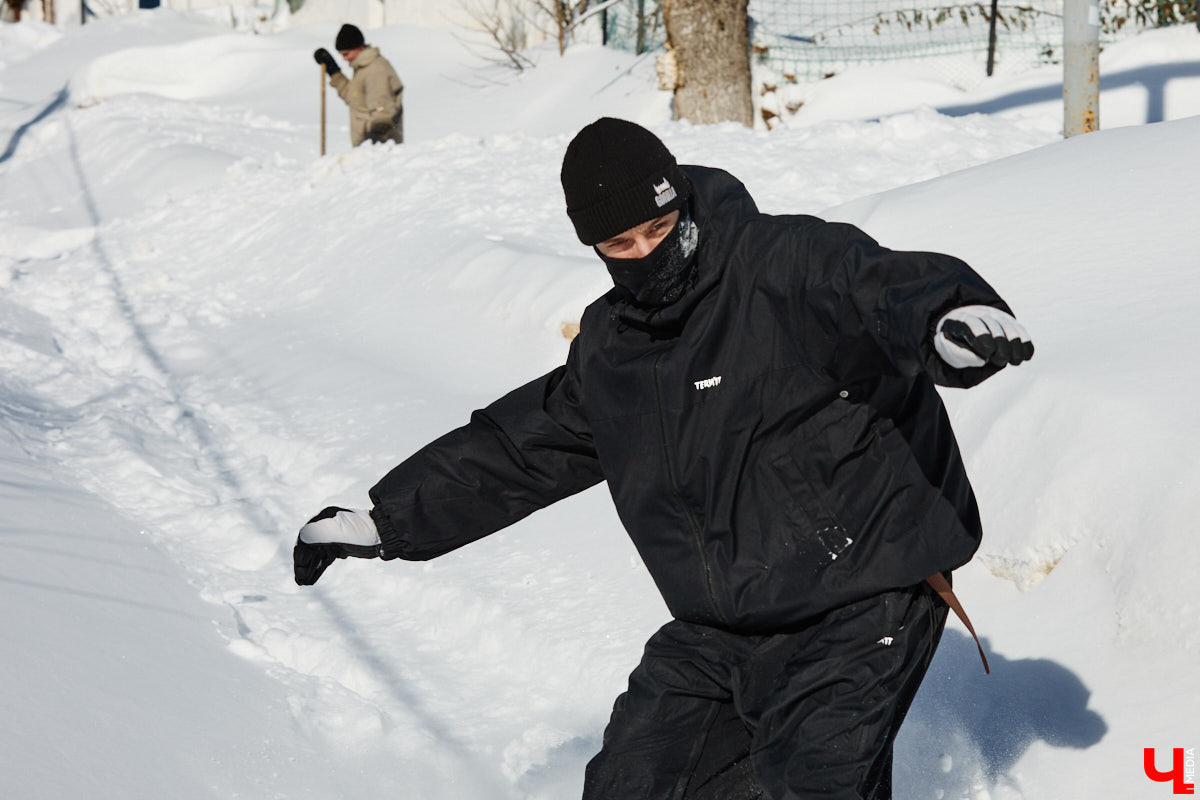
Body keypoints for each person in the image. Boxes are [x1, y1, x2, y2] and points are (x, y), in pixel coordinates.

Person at [292, 118, 1035, 799]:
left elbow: (874, 286)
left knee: (810, 776)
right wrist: (386, 522)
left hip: (864, 590)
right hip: (722, 625)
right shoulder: (614, 350)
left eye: (660, 227)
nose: (647, 253)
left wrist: (946, 315)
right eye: (622, 245)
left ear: (679, 198)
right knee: (634, 782)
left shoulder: (780, 265)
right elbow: (519, 448)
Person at [313, 24, 404, 147]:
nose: (344, 59)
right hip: (367, 148)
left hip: (380, 149)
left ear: (359, 47)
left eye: (346, 54)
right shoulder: (363, 68)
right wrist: (333, 70)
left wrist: (375, 142)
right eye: (341, 55)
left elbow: (383, 111)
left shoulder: (375, 69)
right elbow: (354, 98)